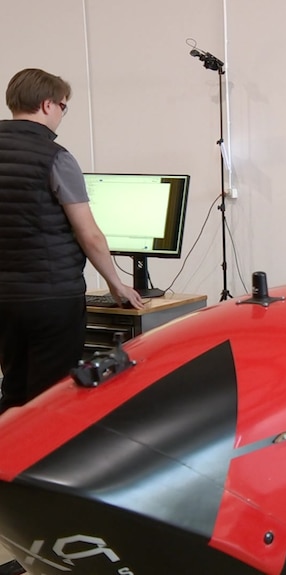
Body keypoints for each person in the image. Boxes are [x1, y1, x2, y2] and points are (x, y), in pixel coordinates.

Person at [0, 68, 144, 415]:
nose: (62, 115)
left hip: (4, 298)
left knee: (15, 388)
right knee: (51, 397)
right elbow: (89, 233)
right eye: (64, 107)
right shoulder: (55, 157)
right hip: (51, 296)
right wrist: (116, 284)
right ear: (48, 104)